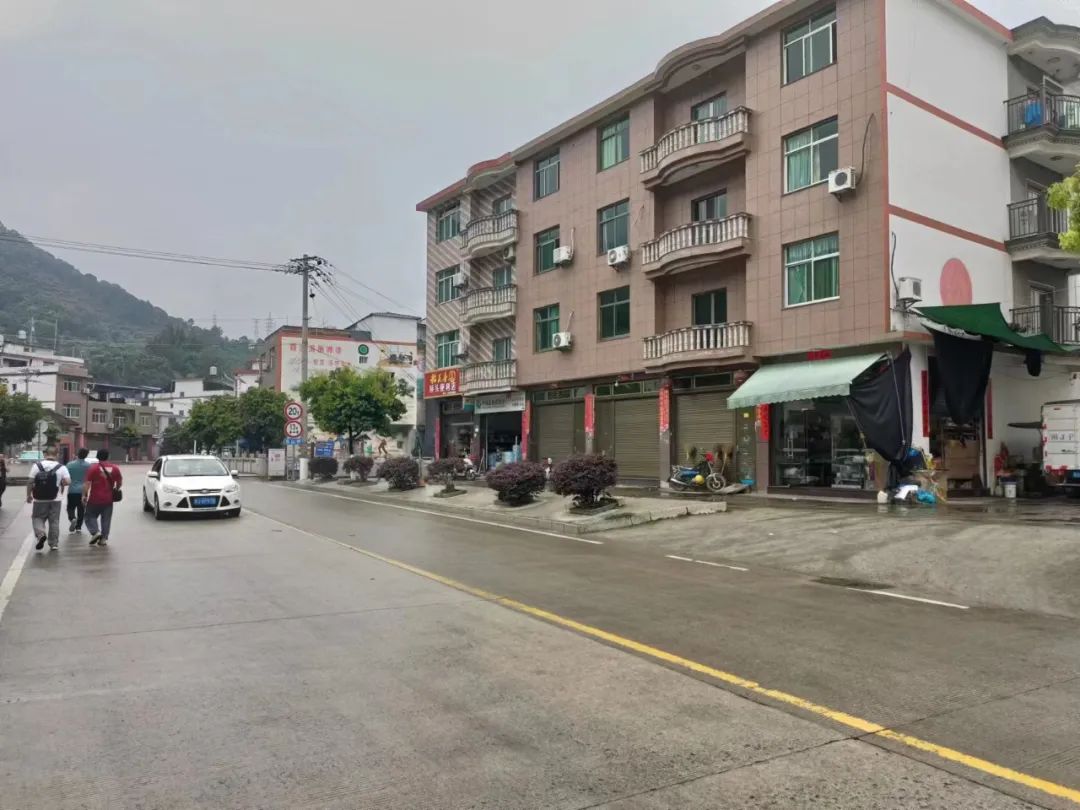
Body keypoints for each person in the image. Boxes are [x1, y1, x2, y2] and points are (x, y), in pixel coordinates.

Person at [25, 446, 71, 552]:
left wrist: (28, 495)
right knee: (54, 521)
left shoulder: (37, 466)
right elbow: (68, 481)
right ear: (57, 455)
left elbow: (30, 481)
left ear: (45, 455)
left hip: (39, 499)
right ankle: (53, 544)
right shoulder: (61, 467)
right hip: (56, 499)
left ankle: (41, 534)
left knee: (37, 518)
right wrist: (61, 482)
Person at [83, 448, 122, 547]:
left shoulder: (93, 468)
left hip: (94, 498)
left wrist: (84, 495)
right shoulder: (115, 468)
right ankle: (103, 539)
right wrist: (116, 489)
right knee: (106, 519)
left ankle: (95, 532)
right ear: (108, 456)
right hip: (108, 499)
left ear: (97, 457)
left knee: (89, 516)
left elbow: (87, 483)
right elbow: (119, 482)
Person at [64, 448, 92, 532]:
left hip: (72, 490)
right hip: (84, 490)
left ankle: (72, 518)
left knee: (70, 507)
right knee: (81, 509)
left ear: (78, 454)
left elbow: (66, 477)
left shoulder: (69, 465)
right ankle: (79, 527)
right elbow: (90, 479)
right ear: (86, 455)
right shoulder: (89, 466)